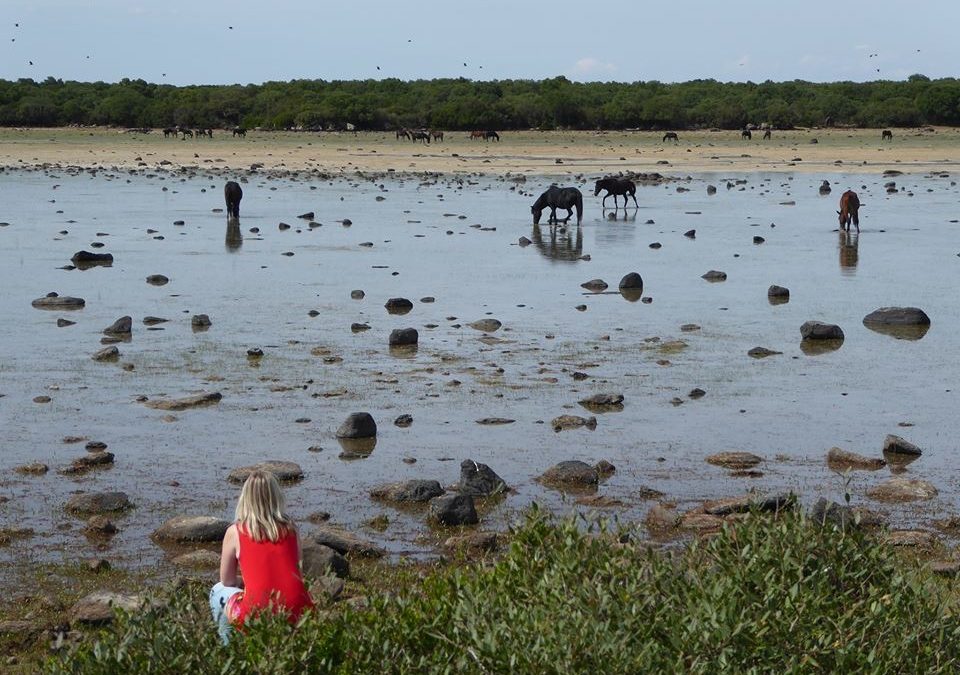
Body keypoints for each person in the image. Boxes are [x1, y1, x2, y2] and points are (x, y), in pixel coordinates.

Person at [209, 470, 314, 644]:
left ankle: (228, 647)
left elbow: (227, 581)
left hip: (256, 614)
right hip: (299, 612)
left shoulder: (235, 531)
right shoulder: (291, 529)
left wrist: (245, 581)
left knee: (217, 590)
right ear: (276, 497)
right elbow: (297, 574)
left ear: (245, 498)